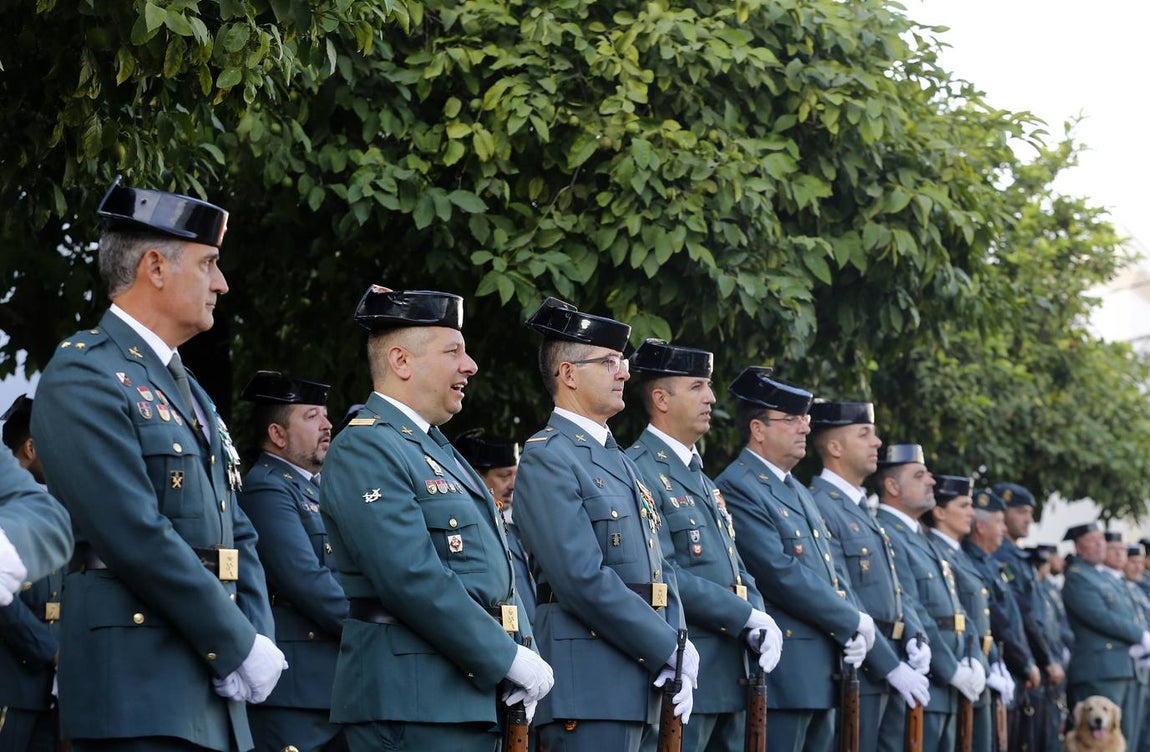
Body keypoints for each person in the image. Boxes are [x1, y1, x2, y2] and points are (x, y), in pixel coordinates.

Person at [31, 177, 284, 752]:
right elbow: (133, 532)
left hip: (209, 685)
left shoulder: (187, 387)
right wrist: (237, 642)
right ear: (155, 266)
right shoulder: (86, 374)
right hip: (137, 688)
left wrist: (255, 636)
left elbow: (236, 527)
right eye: (209, 263)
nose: (221, 283)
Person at [318, 286, 551, 752]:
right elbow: (409, 576)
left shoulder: (434, 447)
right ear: (402, 362)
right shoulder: (368, 445)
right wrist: (505, 656)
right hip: (413, 699)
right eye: (454, 351)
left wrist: (522, 649)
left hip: (463, 695)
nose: (471, 365)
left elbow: (494, 572)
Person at [515, 299, 695, 752]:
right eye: (609, 362)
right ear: (569, 374)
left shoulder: (618, 458)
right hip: (589, 687)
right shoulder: (549, 455)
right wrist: (664, 647)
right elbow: (580, 577)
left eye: (622, 362)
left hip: (639, 685)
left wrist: (679, 643)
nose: (624, 373)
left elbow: (660, 569)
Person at [624, 339, 783, 752]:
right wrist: (744, 614)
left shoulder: (700, 476)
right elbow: (664, 571)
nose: (711, 397)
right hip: (688, 672)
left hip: (732, 671)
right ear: (660, 398)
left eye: (708, 387)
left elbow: (735, 565)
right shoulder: (639, 469)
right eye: (697, 387)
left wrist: (759, 614)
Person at [714, 368, 875, 752]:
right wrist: (850, 618)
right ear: (758, 428)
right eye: (790, 420)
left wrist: (854, 617)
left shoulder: (796, 489)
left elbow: (831, 572)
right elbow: (779, 573)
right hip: (787, 672)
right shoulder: (739, 485)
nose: (804, 428)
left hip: (824, 667)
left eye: (804, 419)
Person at [806, 400, 930, 752]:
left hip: (892, 660)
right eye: (865, 434)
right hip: (863, 665)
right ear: (834, 447)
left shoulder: (864, 509)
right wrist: (888, 665)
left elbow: (894, 587)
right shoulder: (822, 504)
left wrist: (915, 635)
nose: (877, 443)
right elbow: (842, 590)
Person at [237, 371, 348, 752]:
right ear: (277, 435)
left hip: (333, 687)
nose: (327, 425)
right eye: (312, 415)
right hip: (297, 693)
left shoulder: (314, 488)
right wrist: (374, 629)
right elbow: (306, 581)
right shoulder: (268, 487)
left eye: (326, 414)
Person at [873, 444, 985, 750]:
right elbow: (915, 610)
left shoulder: (921, 538)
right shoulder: (887, 532)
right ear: (893, 486)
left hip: (946, 687)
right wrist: (951, 670)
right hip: (926, 683)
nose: (931, 481)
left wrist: (975, 660)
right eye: (920, 475)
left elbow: (959, 611)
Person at [923, 475, 1016, 752]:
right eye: (963, 505)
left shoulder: (958, 554)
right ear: (939, 512)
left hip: (979, 664)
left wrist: (995, 662)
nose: (971, 513)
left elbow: (977, 620)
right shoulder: (937, 551)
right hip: (959, 667)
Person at [0, 396, 65, 752]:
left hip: (44, 688)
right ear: (31, 447)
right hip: (9, 683)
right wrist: (50, 649)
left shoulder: (48, 506)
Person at [962, 489, 1041, 744]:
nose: (1003, 528)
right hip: (999, 665)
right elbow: (997, 621)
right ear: (981, 528)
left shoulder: (991, 564)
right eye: (998, 522)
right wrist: (1025, 663)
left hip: (1009, 667)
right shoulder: (975, 563)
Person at [1061, 522, 1148, 746]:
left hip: (1123, 667)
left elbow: (1127, 614)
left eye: (1101, 539)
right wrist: (1140, 635)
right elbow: (1100, 617)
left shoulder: (1106, 578)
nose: (1100, 544)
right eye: (1093, 540)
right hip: (1099, 670)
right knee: (1093, 744)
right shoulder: (1078, 577)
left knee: (1121, 741)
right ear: (1079, 548)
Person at [991, 482, 1062, 747]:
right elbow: (1022, 615)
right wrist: (1045, 659)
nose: (1028, 520)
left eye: (1029, 512)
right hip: (1024, 663)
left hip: (1036, 663)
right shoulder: (1002, 557)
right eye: (1021, 511)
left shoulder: (1018, 557)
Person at [454, 429, 536, 624]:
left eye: (516, 474)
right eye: (504, 475)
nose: (513, 485)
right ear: (474, 476)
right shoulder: (466, 531)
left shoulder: (515, 528)